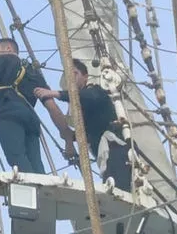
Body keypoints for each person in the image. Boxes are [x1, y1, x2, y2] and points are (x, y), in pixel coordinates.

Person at [0, 38, 73, 174]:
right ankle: (43, 191)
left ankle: (31, 188)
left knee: (18, 160)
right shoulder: (33, 71)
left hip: (10, 115)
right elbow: (52, 107)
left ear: (9, 49)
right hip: (31, 120)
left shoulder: (2, 59)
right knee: (36, 164)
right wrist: (68, 139)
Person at [33, 59, 133, 190]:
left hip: (117, 151)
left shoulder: (95, 91)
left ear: (85, 77)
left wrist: (55, 94)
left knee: (118, 191)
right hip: (107, 157)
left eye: (74, 73)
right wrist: (70, 139)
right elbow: (87, 131)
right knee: (112, 189)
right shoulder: (83, 110)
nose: (71, 78)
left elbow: (89, 97)